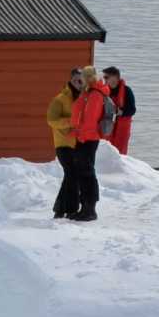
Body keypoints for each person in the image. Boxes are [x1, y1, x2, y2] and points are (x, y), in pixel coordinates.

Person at [67, 68, 110, 222]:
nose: (80, 81)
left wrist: (80, 135)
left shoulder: (95, 95)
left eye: (82, 78)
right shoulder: (89, 92)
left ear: (88, 78)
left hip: (88, 138)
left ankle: (90, 210)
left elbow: (90, 120)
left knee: (86, 173)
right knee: (84, 172)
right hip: (85, 137)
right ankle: (84, 207)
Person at [48, 68, 88, 220]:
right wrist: (70, 123)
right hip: (63, 144)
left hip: (78, 144)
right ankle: (70, 209)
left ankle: (60, 209)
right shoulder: (59, 99)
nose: (80, 83)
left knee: (72, 176)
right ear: (71, 80)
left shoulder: (84, 98)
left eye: (82, 80)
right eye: (77, 80)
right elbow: (51, 120)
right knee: (72, 174)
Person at [100, 66, 136, 156]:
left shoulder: (127, 91)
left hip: (122, 127)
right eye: (104, 77)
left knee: (121, 153)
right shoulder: (103, 91)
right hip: (107, 126)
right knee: (106, 151)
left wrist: (122, 112)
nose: (104, 80)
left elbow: (132, 110)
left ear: (115, 77)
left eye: (106, 77)